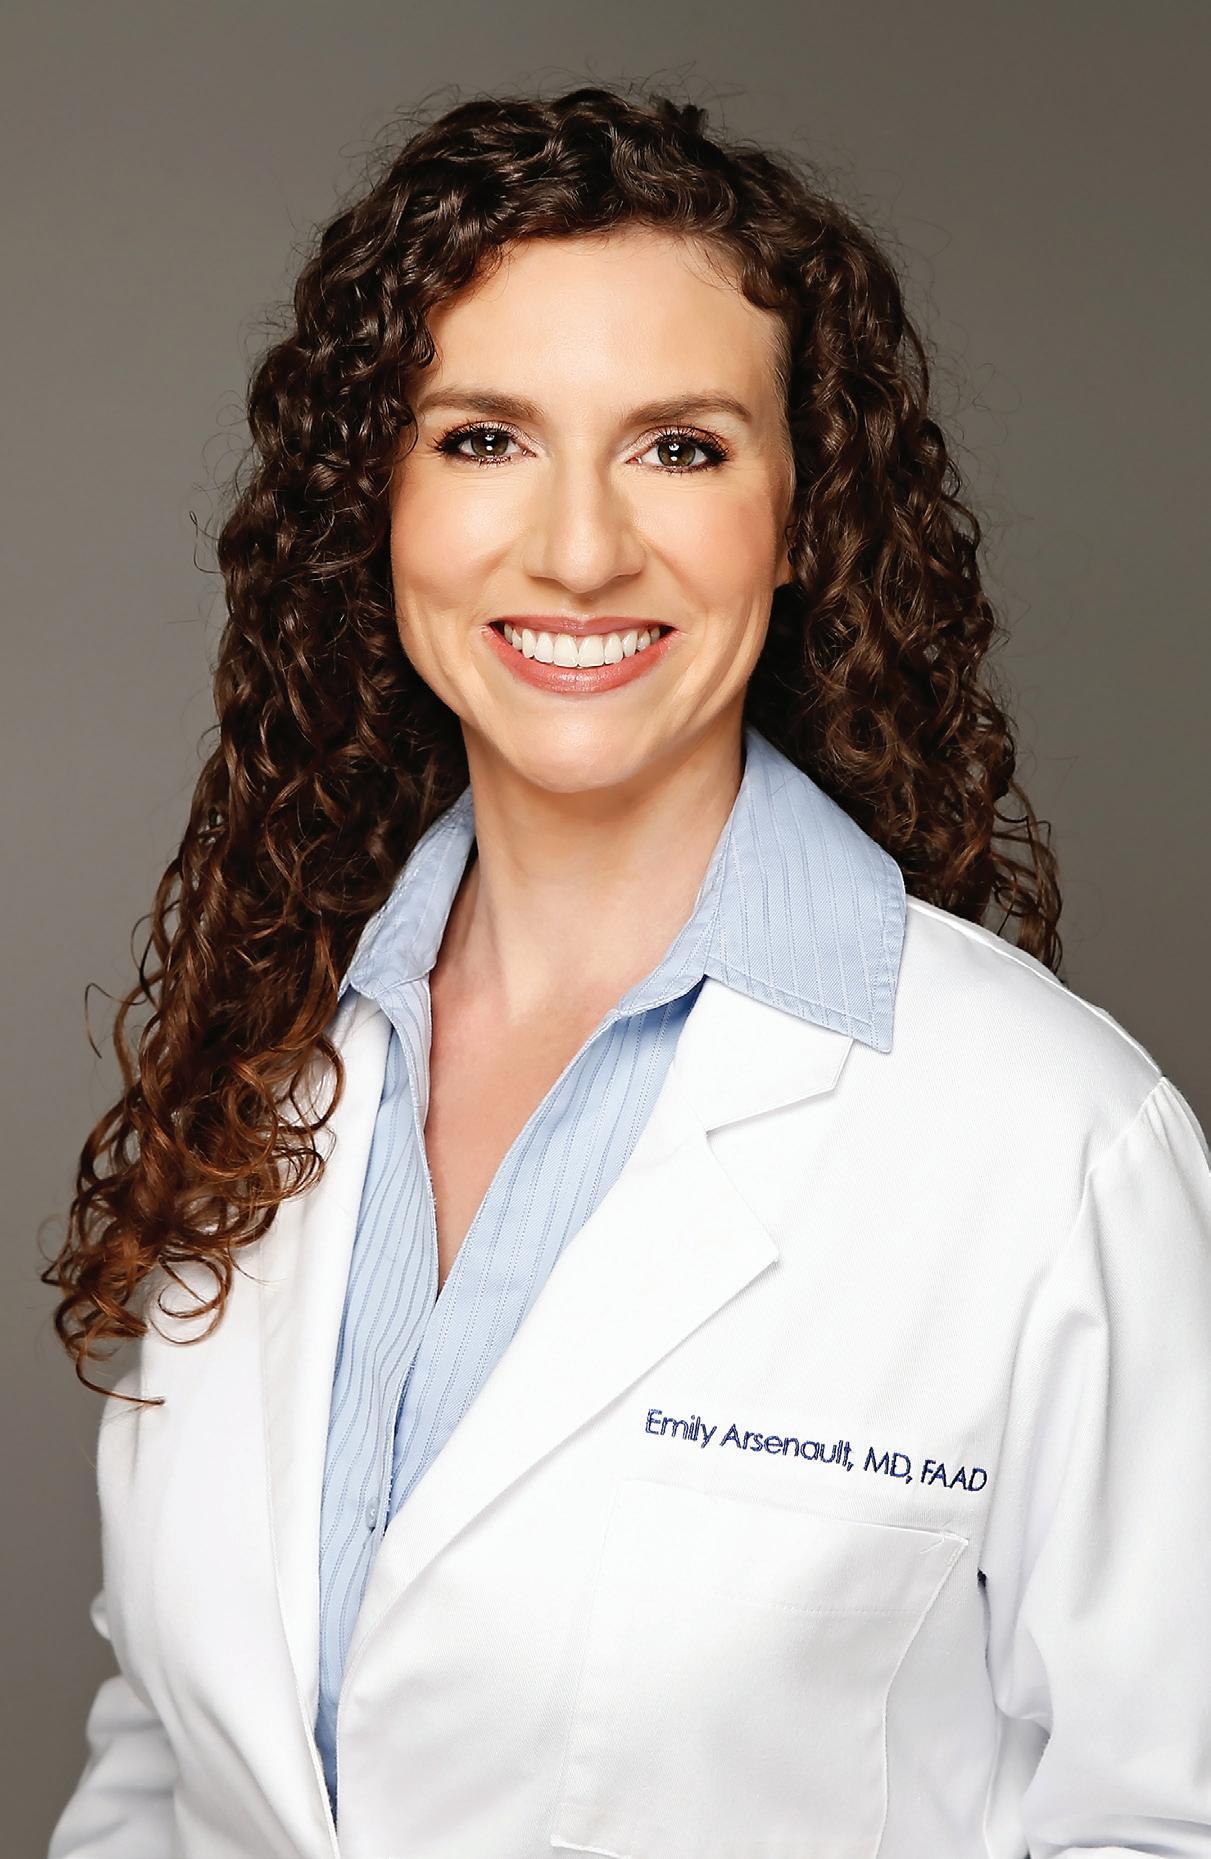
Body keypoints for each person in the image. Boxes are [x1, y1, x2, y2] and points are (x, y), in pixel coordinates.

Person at [43, 84, 1211, 1859]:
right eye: (482, 439)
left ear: (803, 517)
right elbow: (169, 1754)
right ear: (378, 503)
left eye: (680, 448)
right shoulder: (267, 1073)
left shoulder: (1056, 1143)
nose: (580, 550)